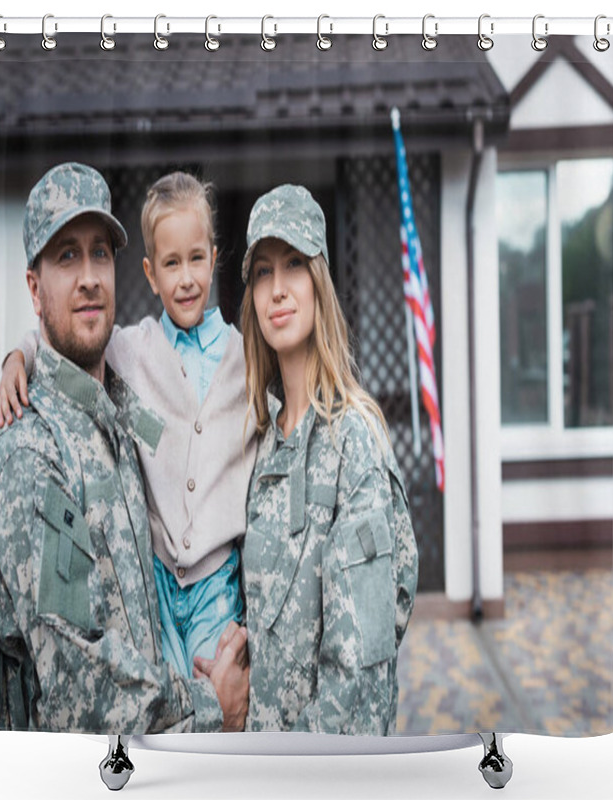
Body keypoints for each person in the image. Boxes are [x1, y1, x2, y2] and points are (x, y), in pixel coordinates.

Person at [0, 162, 249, 733]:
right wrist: (212, 705)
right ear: (34, 287)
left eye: (99, 253)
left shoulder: (118, 413)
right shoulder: (32, 455)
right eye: (66, 256)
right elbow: (79, 679)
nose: (88, 278)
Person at [195, 184, 418, 734]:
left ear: (318, 282)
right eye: (263, 271)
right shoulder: (263, 439)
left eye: (294, 264)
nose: (277, 289)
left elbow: (358, 680)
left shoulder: (352, 439)